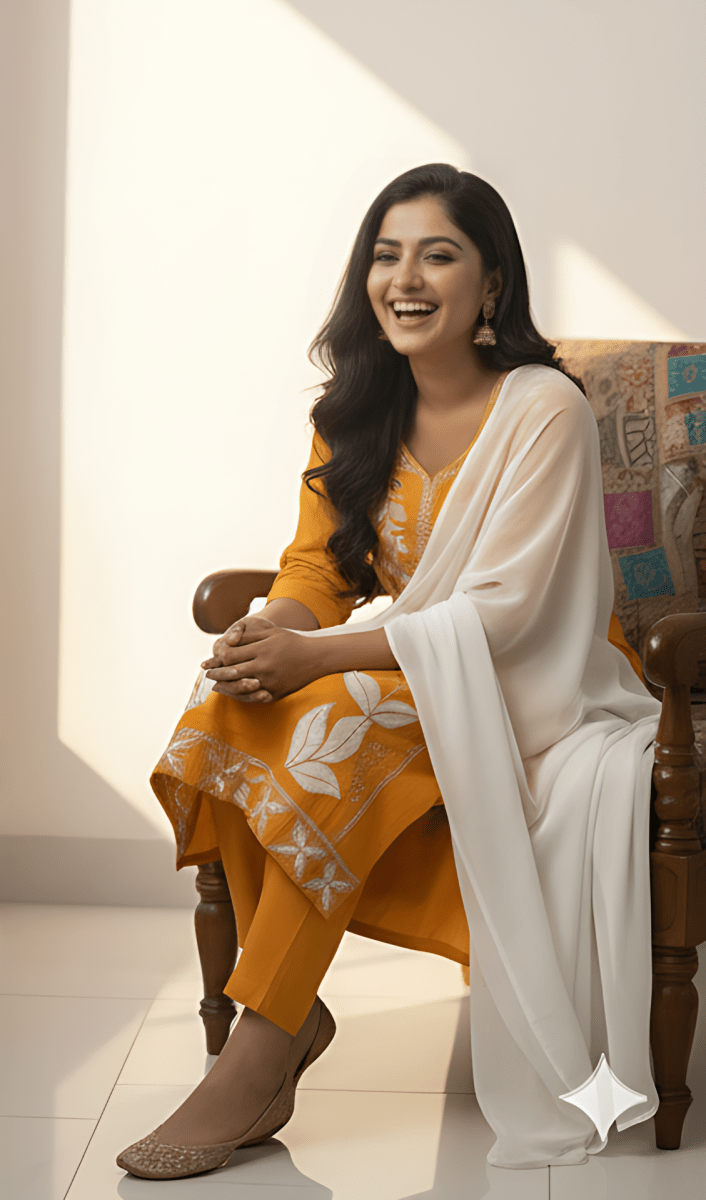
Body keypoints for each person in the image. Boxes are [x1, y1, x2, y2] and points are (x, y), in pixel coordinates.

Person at [117, 163, 660, 1180]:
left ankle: (256, 1054)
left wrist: (316, 657)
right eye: (385, 255)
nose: (404, 279)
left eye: (436, 255)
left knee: (338, 721)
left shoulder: (543, 410)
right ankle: (285, 1009)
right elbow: (318, 570)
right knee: (233, 707)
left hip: (536, 688)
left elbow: (504, 614)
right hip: (417, 670)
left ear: (490, 284)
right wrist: (269, 636)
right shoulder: (355, 413)